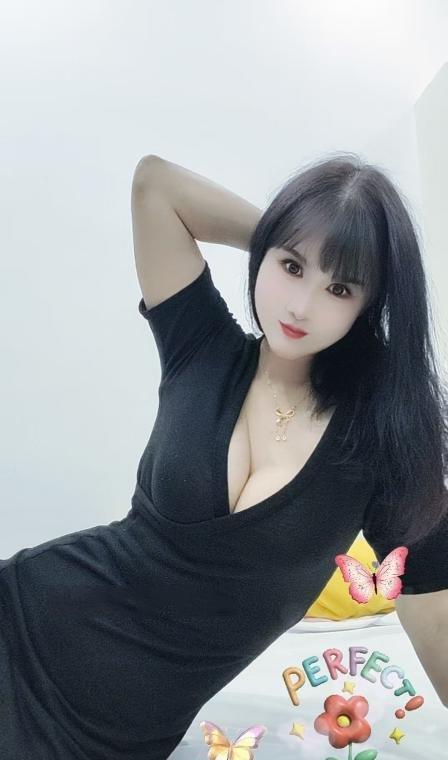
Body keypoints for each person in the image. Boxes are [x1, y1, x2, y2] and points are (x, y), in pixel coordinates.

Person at [1, 152, 447, 759]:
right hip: (26, 615)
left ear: (370, 304)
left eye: (339, 287)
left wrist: (304, 249)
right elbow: (156, 185)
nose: (300, 305)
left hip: (107, 738)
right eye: (291, 267)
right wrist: (283, 233)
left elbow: (435, 609)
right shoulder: (202, 345)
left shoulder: (388, 442)